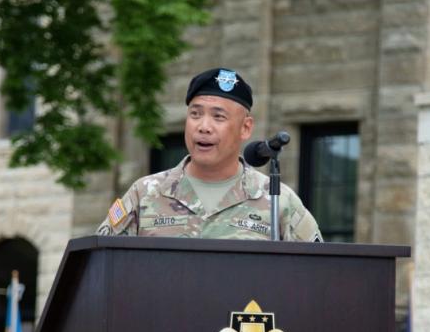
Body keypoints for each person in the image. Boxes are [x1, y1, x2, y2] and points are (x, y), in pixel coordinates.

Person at [96, 67, 323, 242]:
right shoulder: (145, 193)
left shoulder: (277, 200)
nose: (204, 127)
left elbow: (317, 273)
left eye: (218, 117)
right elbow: (101, 263)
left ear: (245, 128)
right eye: (195, 114)